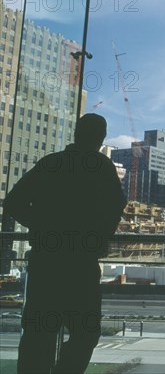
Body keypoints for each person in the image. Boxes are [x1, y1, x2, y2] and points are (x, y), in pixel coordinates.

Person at [4, 113, 126, 373]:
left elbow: (13, 202)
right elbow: (117, 206)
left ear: (75, 133)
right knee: (85, 332)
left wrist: (42, 225)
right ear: (100, 138)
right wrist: (99, 236)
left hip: (45, 262)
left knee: (38, 334)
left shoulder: (51, 163)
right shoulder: (101, 166)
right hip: (80, 264)